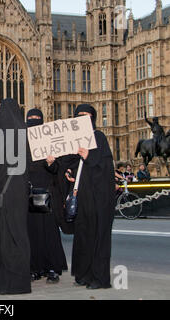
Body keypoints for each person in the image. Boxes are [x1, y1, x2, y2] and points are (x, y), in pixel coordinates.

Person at [0, 98, 31, 295]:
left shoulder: (1, 136)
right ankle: (21, 282)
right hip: (20, 195)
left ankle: (7, 282)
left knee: (4, 239)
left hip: (5, 195)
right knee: (20, 236)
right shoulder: (25, 136)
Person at [62, 104, 115, 290]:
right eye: (78, 115)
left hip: (97, 199)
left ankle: (99, 278)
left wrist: (89, 156)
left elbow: (105, 168)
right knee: (83, 237)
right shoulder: (75, 140)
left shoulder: (98, 137)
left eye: (86, 115)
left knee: (96, 238)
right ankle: (83, 274)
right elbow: (74, 166)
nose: (82, 118)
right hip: (83, 198)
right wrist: (69, 171)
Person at [26, 108, 68, 284]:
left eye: (37, 119)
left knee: (49, 232)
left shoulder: (50, 140)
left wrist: (51, 163)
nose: (34, 121)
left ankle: (52, 267)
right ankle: (35, 268)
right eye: (31, 119)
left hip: (47, 192)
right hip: (29, 192)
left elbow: (57, 169)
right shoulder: (22, 141)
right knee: (32, 233)